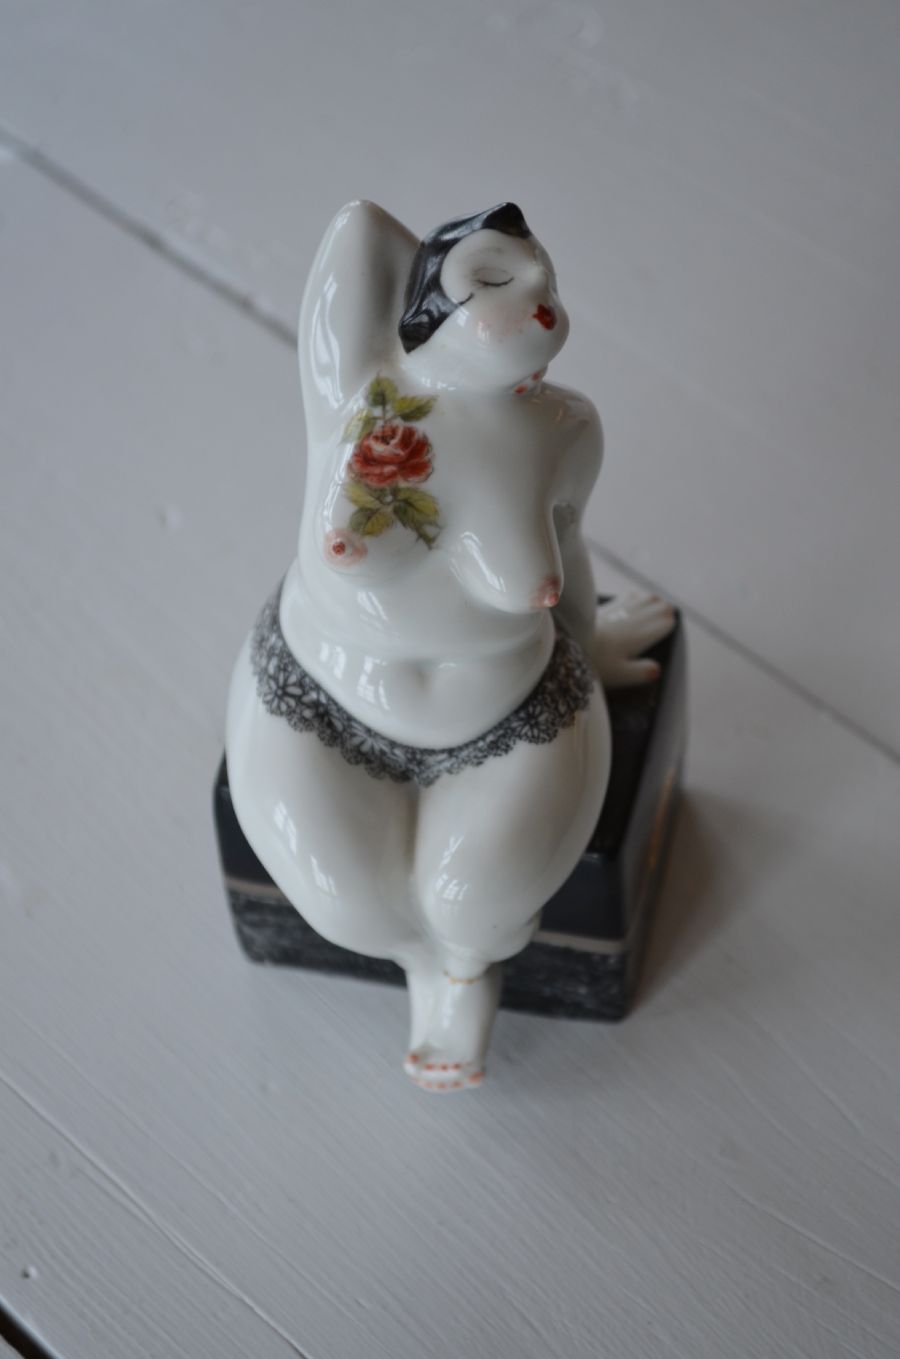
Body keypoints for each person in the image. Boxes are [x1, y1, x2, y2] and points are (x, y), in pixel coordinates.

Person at [226, 202, 673, 1091]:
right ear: (422, 307)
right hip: (322, 696)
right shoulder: (357, 391)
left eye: (546, 282)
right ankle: (418, 967)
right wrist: (441, 261)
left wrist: (589, 643)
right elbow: (358, 229)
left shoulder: (565, 429)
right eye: (497, 279)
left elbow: (570, 548)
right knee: (345, 904)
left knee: (477, 903)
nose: (537, 298)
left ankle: (465, 973)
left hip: (513, 711)